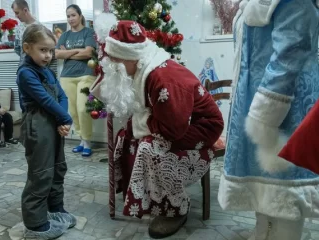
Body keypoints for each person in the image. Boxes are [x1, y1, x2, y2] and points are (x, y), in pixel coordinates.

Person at [90, 19, 224, 239]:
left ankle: (176, 208)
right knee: (128, 136)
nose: (111, 64)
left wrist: (144, 122)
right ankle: (151, 196)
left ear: (130, 56)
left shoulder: (163, 79)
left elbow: (173, 129)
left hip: (202, 128)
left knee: (151, 148)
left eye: (115, 60)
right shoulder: (140, 65)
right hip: (176, 121)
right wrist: (142, 122)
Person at [218, 1, 319, 239]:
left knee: (285, 194)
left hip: (283, 113)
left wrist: (263, 119)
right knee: (264, 189)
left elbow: (289, 57)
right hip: (255, 104)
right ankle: (263, 233)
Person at [16, 23, 76, 239]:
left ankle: (55, 210)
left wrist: (63, 120)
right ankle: (35, 224)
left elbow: (62, 96)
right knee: (41, 173)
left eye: (51, 50)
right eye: (43, 50)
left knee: (58, 167)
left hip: (54, 122)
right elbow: (44, 99)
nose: (48, 55)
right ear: (26, 48)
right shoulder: (26, 73)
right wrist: (65, 117)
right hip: (37, 125)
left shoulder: (47, 71)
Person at [55, 4, 96, 157]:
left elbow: (89, 53)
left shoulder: (88, 32)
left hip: (86, 74)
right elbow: (57, 54)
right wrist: (76, 52)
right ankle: (81, 140)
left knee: (82, 108)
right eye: (68, 16)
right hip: (67, 76)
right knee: (72, 111)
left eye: (73, 15)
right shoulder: (64, 35)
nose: (71, 18)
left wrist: (68, 53)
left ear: (79, 16)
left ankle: (87, 141)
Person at [12, 0, 40, 64]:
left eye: (17, 13)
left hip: (38, 67)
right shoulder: (19, 28)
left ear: (25, 10)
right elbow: (17, 48)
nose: (16, 16)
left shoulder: (40, 28)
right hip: (23, 65)